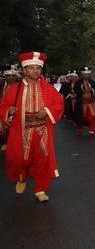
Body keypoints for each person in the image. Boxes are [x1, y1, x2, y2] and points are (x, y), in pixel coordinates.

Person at [0, 52, 63, 202]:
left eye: (38, 68)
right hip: (21, 130)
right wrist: (10, 110)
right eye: (32, 68)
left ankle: (41, 189)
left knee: (42, 159)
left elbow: (59, 104)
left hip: (42, 130)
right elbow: (3, 106)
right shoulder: (14, 88)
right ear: (25, 70)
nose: (36, 71)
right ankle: (21, 177)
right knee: (18, 159)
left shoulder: (48, 88)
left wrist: (46, 111)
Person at [73, 67, 95, 136]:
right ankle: (80, 129)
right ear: (82, 75)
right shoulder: (78, 82)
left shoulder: (93, 83)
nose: (86, 76)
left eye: (88, 74)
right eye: (85, 74)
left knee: (93, 116)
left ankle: (91, 131)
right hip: (81, 103)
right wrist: (82, 89)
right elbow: (75, 90)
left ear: (90, 75)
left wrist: (93, 90)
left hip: (91, 103)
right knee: (80, 116)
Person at [0, 68, 19, 151]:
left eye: (13, 76)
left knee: (9, 126)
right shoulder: (1, 85)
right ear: (5, 77)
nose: (11, 78)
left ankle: (7, 142)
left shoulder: (19, 87)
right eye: (8, 76)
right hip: (2, 107)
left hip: (11, 110)